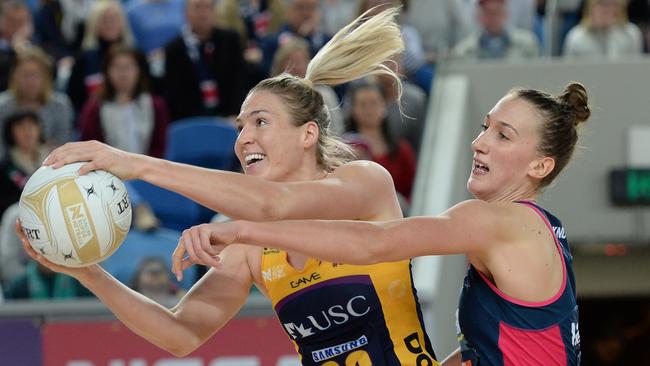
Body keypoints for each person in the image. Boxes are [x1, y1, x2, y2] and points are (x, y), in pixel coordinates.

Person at [25, 9, 439, 364]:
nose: (243, 139)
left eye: (260, 122)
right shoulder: (252, 245)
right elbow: (181, 333)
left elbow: (276, 206)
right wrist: (91, 275)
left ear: (308, 134)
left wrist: (136, 165)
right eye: (240, 127)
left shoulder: (365, 183)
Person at [178, 82, 590, 365]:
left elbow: (375, 243)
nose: (479, 141)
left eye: (503, 135)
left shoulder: (495, 220)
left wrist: (239, 230)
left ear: (540, 165)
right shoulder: (533, 230)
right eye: (485, 127)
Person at [563, 0, 643, 59]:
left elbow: (637, 70)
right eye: (602, 3)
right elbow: (568, 73)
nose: (609, 9)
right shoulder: (576, 37)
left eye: (614, 4)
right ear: (590, 7)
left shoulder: (631, 33)